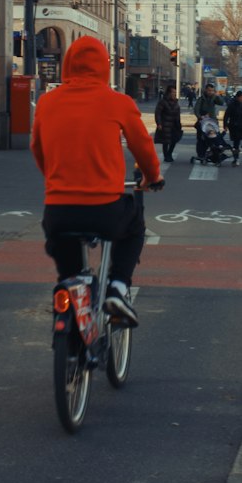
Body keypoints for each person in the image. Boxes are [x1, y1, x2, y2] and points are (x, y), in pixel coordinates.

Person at [31, 36, 164, 329]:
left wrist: (55, 179)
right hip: (106, 209)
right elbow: (142, 147)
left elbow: (38, 149)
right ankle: (117, 287)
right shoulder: (118, 102)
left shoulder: (47, 102)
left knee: (68, 272)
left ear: (67, 65)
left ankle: (71, 304)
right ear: (104, 67)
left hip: (58, 211)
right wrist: (152, 177)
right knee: (134, 227)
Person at [193, 82, 223, 163]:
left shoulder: (214, 98)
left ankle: (213, 154)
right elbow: (196, 110)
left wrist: (216, 95)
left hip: (212, 122)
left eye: (212, 90)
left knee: (214, 138)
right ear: (206, 90)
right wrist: (200, 117)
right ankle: (201, 155)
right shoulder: (201, 99)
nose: (210, 92)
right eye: (209, 90)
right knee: (201, 139)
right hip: (202, 122)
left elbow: (221, 102)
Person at [154, 86, 184, 163]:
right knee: (166, 141)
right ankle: (166, 156)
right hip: (165, 124)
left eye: (175, 92)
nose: (174, 94)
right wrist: (159, 123)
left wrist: (179, 124)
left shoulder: (176, 102)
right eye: (172, 92)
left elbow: (178, 114)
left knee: (174, 140)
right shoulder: (163, 102)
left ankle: (169, 153)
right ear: (168, 93)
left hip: (174, 124)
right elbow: (158, 113)